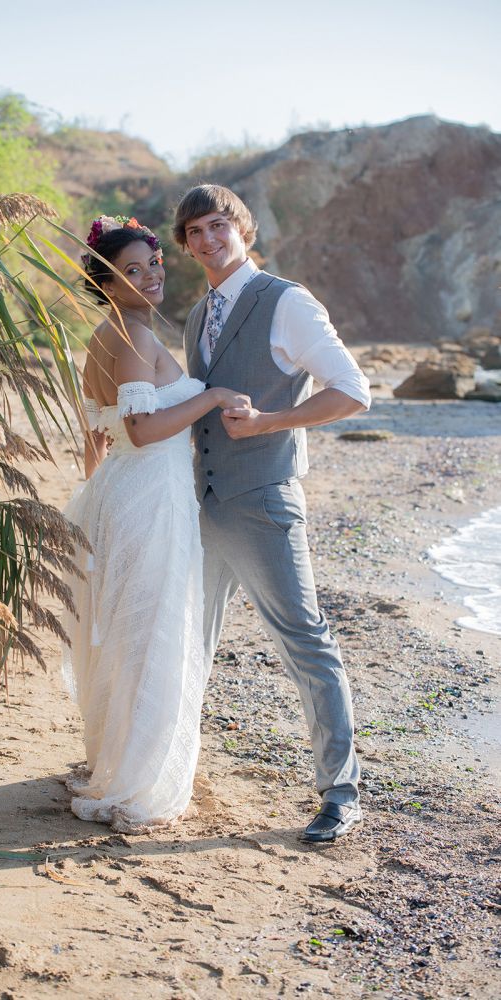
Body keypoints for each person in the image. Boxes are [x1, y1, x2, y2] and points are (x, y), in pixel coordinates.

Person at [174, 184, 372, 842]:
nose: (208, 239)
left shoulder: (287, 301)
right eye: (195, 232)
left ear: (243, 229)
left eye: (217, 225)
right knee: (187, 640)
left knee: (306, 642)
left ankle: (340, 792)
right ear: (185, 246)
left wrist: (269, 422)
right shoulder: (197, 315)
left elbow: (353, 392)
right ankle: (166, 772)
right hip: (203, 504)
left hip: (263, 501)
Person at [60, 215, 250, 833]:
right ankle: (137, 783)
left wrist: (95, 498)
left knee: (129, 634)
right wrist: (212, 396)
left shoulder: (104, 336)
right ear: (106, 283)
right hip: (149, 496)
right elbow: (140, 431)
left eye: (154, 264)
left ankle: (118, 762)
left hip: (121, 493)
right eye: (132, 271)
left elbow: (96, 434)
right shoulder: (134, 337)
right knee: (150, 634)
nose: (149, 277)